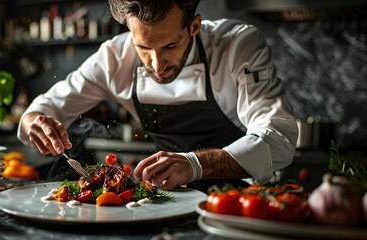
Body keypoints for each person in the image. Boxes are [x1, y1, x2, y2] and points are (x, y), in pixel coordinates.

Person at [18, 0, 298, 192]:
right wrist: (36, 123)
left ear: (194, 26)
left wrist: (195, 163)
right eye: (144, 48)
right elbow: (44, 108)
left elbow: (278, 139)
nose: (157, 64)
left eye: (171, 45)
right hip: (171, 201)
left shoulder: (236, 45)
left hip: (239, 200)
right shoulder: (114, 58)